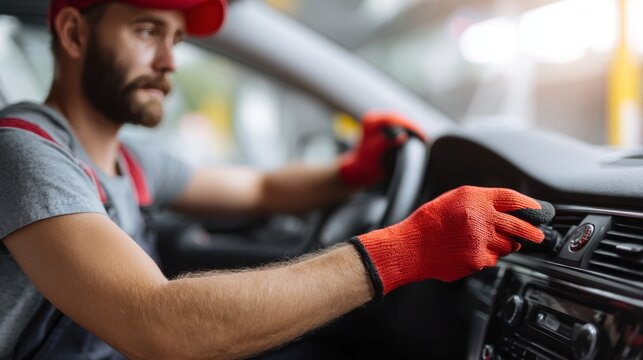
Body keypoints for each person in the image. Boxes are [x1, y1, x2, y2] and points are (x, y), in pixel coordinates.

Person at [0, 0, 554, 358]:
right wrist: (410, 247)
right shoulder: (25, 154)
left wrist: (352, 171)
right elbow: (158, 324)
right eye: (148, 30)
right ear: (74, 32)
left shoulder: (134, 163)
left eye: (177, 38)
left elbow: (261, 189)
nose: (170, 60)